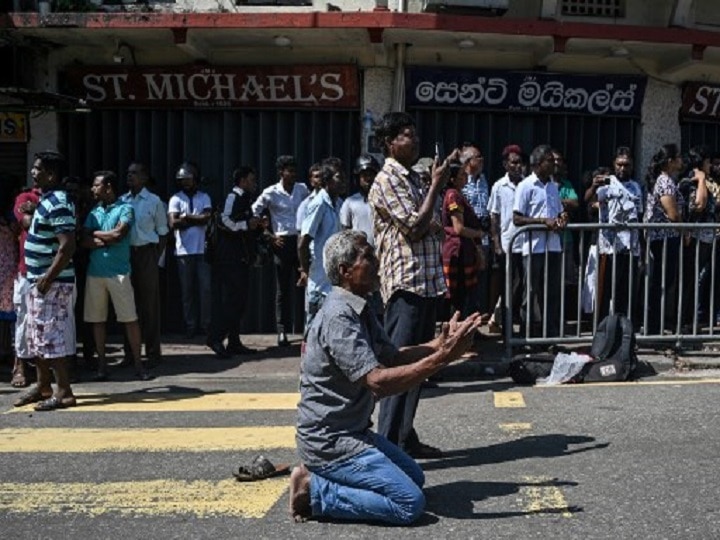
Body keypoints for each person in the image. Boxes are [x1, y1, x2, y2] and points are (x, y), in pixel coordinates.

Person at [290, 229, 482, 524]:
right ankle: (314, 490)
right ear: (345, 271)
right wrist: (443, 358)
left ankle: (324, 477)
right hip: (330, 441)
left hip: (353, 432)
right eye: (367, 256)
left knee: (414, 477)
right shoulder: (339, 316)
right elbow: (378, 380)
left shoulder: (360, 308)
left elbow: (391, 356)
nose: (377, 261)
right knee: (408, 503)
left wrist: (439, 344)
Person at [368, 112, 451, 459]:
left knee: (419, 367)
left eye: (415, 135)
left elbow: (434, 221)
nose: (414, 141)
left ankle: (404, 437)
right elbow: (417, 226)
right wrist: (435, 186)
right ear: (389, 143)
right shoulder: (388, 180)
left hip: (426, 281)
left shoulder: (414, 178)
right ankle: (387, 445)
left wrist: (429, 194)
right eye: (406, 135)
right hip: (405, 283)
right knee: (399, 366)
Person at [13, 151, 77, 411]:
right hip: (37, 280)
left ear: (51, 174)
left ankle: (64, 392)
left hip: (51, 282)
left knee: (51, 336)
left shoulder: (58, 201)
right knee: (37, 335)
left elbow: (67, 245)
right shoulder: (47, 200)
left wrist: (48, 278)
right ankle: (42, 386)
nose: (33, 172)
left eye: (38, 169)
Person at [82, 171, 150, 381]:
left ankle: (139, 366)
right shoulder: (94, 212)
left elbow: (119, 234)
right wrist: (104, 237)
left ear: (108, 187)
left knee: (130, 319)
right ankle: (102, 366)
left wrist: (96, 235)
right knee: (97, 320)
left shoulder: (125, 208)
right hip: (95, 273)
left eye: (96, 185)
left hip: (119, 273)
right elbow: (83, 239)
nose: (93, 189)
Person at [252, 155, 309, 346]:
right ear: (281, 172)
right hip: (282, 242)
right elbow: (253, 213)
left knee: (308, 284)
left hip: (300, 240)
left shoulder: (302, 189)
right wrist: (269, 235)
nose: (293, 174)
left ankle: (309, 328)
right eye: (289, 171)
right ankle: (282, 330)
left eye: (294, 170)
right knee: (283, 289)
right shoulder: (271, 192)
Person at [513, 144, 567, 338]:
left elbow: (559, 211)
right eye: (550, 161)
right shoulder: (525, 186)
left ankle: (549, 335)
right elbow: (517, 218)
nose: (554, 165)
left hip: (552, 246)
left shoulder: (553, 186)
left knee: (551, 293)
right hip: (534, 248)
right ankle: (527, 334)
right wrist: (542, 221)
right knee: (531, 292)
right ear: (538, 164)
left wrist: (562, 218)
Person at [206, 166, 261, 358]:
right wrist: (247, 224)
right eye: (252, 180)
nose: (255, 183)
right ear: (242, 181)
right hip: (228, 260)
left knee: (239, 302)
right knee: (230, 302)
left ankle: (234, 342)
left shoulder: (245, 200)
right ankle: (215, 337)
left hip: (241, 259)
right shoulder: (233, 197)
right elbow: (223, 220)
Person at [586, 147, 643, 321]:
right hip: (609, 249)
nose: (623, 168)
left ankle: (622, 332)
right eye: (620, 165)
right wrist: (594, 185)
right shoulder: (606, 184)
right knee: (605, 293)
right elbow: (588, 200)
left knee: (624, 294)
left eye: (627, 165)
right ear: (614, 164)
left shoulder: (635, 187)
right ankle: (602, 331)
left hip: (630, 249)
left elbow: (640, 216)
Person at [120, 162, 168, 366]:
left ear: (145, 178)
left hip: (147, 253)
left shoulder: (154, 201)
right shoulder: (121, 200)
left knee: (149, 306)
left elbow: (163, 232)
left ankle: (153, 353)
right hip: (126, 255)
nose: (130, 177)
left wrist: (155, 256)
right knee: (127, 305)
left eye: (135, 173)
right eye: (128, 173)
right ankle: (130, 353)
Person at [168, 161, 213, 339]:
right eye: (182, 179)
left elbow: (208, 218)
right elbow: (174, 223)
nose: (185, 182)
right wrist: (197, 218)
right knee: (187, 292)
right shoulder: (176, 198)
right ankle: (190, 325)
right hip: (183, 252)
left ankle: (206, 325)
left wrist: (186, 217)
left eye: (188, 179)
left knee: (205, 290)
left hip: (202, 250)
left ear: (195, 179)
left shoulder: (204, 197)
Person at [643, 143, 685, 335]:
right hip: (665, 238)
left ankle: (655, 324)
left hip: (665, 238)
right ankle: (653, 325)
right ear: (670, 161)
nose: (681, 161)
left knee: (663, 281)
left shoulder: (666, 180)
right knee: (661, 282)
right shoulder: (665, 182)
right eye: (678, 158)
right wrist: (685, 231)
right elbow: (673, 214)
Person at [298, 164, 345, 327]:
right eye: (338, 177)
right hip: (319, 282)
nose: (342, 181)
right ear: (327, 181)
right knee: (313, 329)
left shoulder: (339, 203)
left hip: (334, 282)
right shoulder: (318, 204)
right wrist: (305, 270)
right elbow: (303, 243)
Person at [487, 145, 525, 334]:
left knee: (522, 288)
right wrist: (496, 243)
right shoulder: (499, 186)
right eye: (513, 162)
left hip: (526, 246)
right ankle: (507, 329)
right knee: (508, 288)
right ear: (505, 164)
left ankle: (520, 327)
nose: (517, 166)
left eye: (520, 162)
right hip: (508, 243)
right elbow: (494, 216)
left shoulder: (527, 185)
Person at [677, 145, 715, 328]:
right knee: (692, 280)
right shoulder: (690, 182)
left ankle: (693, 319)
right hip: (694, 239)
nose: (711, 165)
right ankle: (686, 320)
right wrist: (701, 181)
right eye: (708, 162)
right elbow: (698, 205)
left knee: (700, 278)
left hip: (707, 239)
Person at [10, 179, 41, 388]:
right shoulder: (25, 197)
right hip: (27, 269)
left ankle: (47, 370)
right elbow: (26, 223)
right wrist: (44, 213)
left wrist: (36, 210)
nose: (35, 173)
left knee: (51, 322)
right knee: (23, 319)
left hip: (53, 268)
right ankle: (19, 365)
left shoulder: (59, 199)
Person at [441, 163, 484, 316]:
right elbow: (458, 228)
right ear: (452, 179)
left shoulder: (458, 194)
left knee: (467, 295)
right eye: (462, 175)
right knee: (459, 295)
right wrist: (478, 234)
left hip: (465, 250)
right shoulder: (453, 196)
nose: (466, 177)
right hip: (457, 251)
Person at [460, 142, 493, 323]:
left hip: (484, 239)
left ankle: (476, 323)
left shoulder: (483, 180)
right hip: (469, 239)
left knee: (481, 283)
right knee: (468, 284)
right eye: (477, 157)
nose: (481, 160)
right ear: (467, 161)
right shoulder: (462, 183)